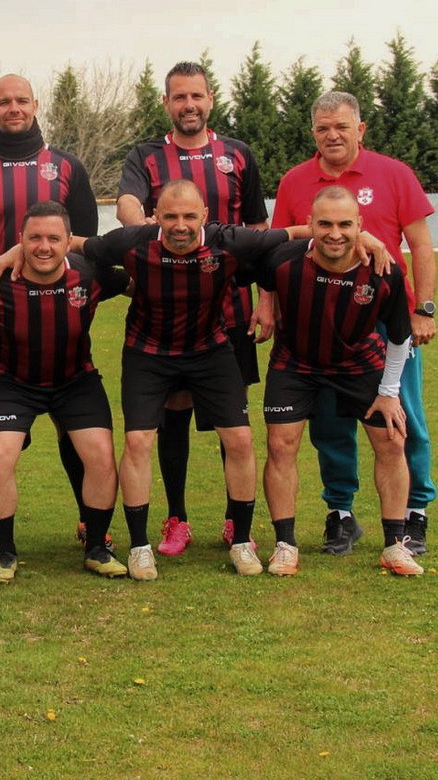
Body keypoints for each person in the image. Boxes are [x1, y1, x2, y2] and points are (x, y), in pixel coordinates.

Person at [74, 180, 318, 581]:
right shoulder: (132, 241)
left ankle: (241, 540)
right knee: (138, 442)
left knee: (239, 440)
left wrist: (366, 239)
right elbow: (78, 244)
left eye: (190, 216)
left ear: (205, 216)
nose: (180, 225)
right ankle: (139, 547)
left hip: (210, 350)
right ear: (155, 217)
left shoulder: (228, 241)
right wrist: (16, 252)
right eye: (170, 216)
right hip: (148, 352)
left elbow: (293, 234)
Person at [269, 91, 437, 555]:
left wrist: (424, 308)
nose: (333, 135)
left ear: (360, 129)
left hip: (386, 319)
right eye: (323, 128)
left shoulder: (394, 173)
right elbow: (281, 245)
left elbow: (421, 245)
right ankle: (340, 512)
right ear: (313, 133)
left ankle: (415, 511)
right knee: (330, 425)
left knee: (400, 417)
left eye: (341, 126)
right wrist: (270, 304)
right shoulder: (295, 180)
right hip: (321, 322)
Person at [115, 62, 269, 556]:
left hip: (229, 313)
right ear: (167, 103)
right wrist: (144, 231)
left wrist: (266, 298)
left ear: (210, 99)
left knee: (232, 424)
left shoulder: (237, 155)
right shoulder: (146, 156)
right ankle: (176, 519)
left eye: (196, 96)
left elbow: (259, 232)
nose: (189, 105)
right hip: (166, 316)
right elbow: (127, 204)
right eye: (179, 97)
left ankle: (235, 521)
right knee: (173, 417)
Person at [0, 74, 101, 546]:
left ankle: (89, 521)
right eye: (3, 102)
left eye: (21, 100)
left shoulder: (67, 166)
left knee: (71, 424)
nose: (13, 108)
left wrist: (24, 251)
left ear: (35, 105)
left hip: (60, 315)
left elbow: (86, 244)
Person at [258, 186, 422, 577]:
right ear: (310, 225)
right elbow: (257, 269)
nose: (335, 234)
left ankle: (394, 546)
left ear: (360, 225)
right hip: (295, 364)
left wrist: (389, 393)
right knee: (280, 445)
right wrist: (265, 301)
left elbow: (400, 337)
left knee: (392, 441)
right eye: (325, 224)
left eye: (345, 224)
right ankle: (285, 545)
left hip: (359, 363)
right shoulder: (283, 259)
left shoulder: (384, 270)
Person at [0, 202, 128, 583]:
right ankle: (5, 553)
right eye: (35, 238)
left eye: (54, 238)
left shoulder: (90, 274)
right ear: (20, 241)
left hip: (75, 381)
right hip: (12, 383)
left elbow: (141, 280)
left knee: (101, 455)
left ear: (68, 241)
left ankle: (97, 547)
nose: (44, 247)